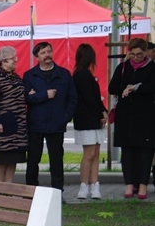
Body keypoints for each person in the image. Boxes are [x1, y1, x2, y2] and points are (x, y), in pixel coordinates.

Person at [23, 41, 77, 192]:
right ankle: (31, 192)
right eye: (43, 53)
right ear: (37, 57)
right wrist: (44, 95)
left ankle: (58, 193)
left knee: (56, 161)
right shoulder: (29, 75)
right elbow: (26, 98)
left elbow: (72, 98)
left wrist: (65, 117)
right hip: (36, 124)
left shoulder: (64, 74)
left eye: (49, 51)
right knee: (33, 160)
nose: (47, 55)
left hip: (56, 124)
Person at [108, 38, 155, 199]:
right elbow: (112, 88)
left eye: (139, 54)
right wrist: (126, 87)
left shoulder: (152, 67)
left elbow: (152, 87)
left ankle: (142, 185)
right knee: (127, 150)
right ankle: (129, 183)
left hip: (146, 116)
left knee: (145, 151)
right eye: (133, 54)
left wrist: (137, 88)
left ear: (146, 52)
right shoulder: (123, 67)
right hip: (125, 116)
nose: (136, 57)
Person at [0, 47, 27, 183]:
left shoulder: (16, 77)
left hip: (18, 124)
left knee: (13, 156)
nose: (15, 61)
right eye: (12, 58)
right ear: (3, 61)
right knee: (1, 157)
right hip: (2, 123)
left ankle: (9, 186)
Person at [72, 44, 108, 199]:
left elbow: (94, 98)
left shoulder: (85, 73)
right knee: (90, 153)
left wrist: (103, 111)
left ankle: (94, 185)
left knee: (96, 153)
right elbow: (89, 98)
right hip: (86, 119)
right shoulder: (81, 75)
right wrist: (101, 113)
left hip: (92, 118)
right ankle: (84, 186)